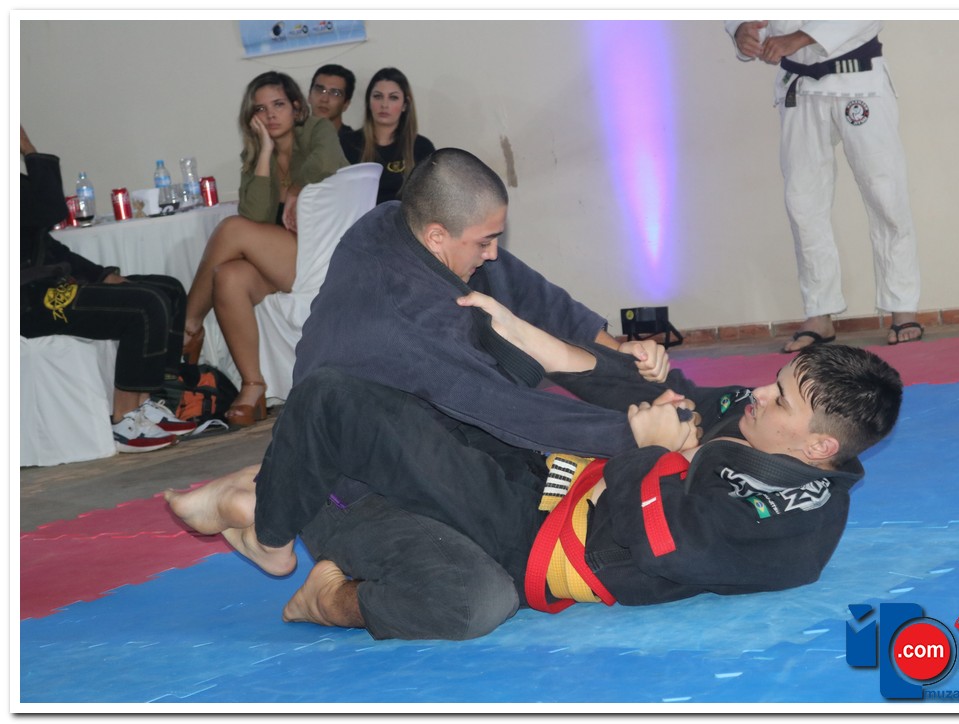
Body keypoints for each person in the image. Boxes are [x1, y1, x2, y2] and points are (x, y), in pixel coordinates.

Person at [166, 292, 903, 640]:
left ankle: (284, 528)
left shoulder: (783, 521)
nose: (760, 393)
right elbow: (662, 398)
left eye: (780, 399)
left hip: (533, 535)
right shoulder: (760, 423)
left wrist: (650, 451)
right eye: (776, 381)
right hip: (557, 480)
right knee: (468, 381)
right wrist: (537, 338)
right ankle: (271, 496)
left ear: (818, 448)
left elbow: (655, 543)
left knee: (342, 405)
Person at [294, 147, 670, 459]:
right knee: (524, 479)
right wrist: (631, 434)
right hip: (354, 457)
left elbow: (537, 297)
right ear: (437, 236)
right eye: (485, 242)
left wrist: (619, 357)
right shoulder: (412, 317)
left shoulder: (394, 218)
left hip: (387, 407)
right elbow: (505, 408)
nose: (492, 253)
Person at [724, 21, 923, 351]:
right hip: (799, 86)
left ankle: (902, 306)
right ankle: (819, 313)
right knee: (803, 202)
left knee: (886, 196)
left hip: (859, 79)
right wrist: (741, 28)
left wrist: (801, 38)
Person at [181, 71, 347, 426]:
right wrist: (265, 153)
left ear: (296, 107)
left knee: (230, 229)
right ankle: (253, 387)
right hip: (287, 258)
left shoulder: (317, 130)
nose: (270, 114)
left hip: (324, 256)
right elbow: (255, 214)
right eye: (261, 109)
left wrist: (296, 189)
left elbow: (326, 160)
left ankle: (188, 326)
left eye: (279, 105)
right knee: (228, 276)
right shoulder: (258, 150)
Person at [20, 126, 195, 453]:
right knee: (144, 305)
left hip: (43, 287)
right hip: (25, 302)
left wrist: (102, 276)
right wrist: (29, 149)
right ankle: (124, 420)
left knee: (167, 289)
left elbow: (47, 247)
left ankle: (149, 404)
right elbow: (50, 210)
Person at [345, 67, 436, 204]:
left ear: (405, 105)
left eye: (393, 97)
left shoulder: (421, 147)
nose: (384, 104)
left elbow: (432, 200)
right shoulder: (347, 143)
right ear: (368, 102)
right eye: (378, 96)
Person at [307, 64, 360, 161]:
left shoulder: (357, 146)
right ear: (309, 96)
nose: (324, 99)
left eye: (335, 93)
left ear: (346, 104)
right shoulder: (293, 140)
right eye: (319, 90)